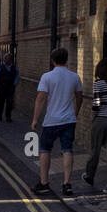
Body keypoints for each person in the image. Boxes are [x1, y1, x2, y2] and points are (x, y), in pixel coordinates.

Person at [31, 45, 83, 197]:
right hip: (68, 120)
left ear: (52, 60)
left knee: (45, 150)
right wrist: (75, 113)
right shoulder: (74, 77)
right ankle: (67, 184)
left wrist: (35, 119)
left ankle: (44, 184)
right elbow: (80, 97)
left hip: (51, 121)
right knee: (67, 150)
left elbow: (40, 99)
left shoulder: (47, 77)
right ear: (66, 60)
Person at [81, 57, 107, 193]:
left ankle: (89, 175)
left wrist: (93, 120)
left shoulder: (98, 84)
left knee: (95, 150)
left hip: (100, 120)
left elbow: (96, 105)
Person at [0, 52, 19, 122]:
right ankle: (0, 115)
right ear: (4, 59)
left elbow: (16, 76)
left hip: (10, 88)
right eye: (6, 59)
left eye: (9, 59)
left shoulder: (14, 68)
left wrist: (15, 83)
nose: (7, 61)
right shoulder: (0, 68)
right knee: (1, 102)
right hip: (2, 87)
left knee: (9, 103)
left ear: (11, 60)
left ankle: (8, 116)